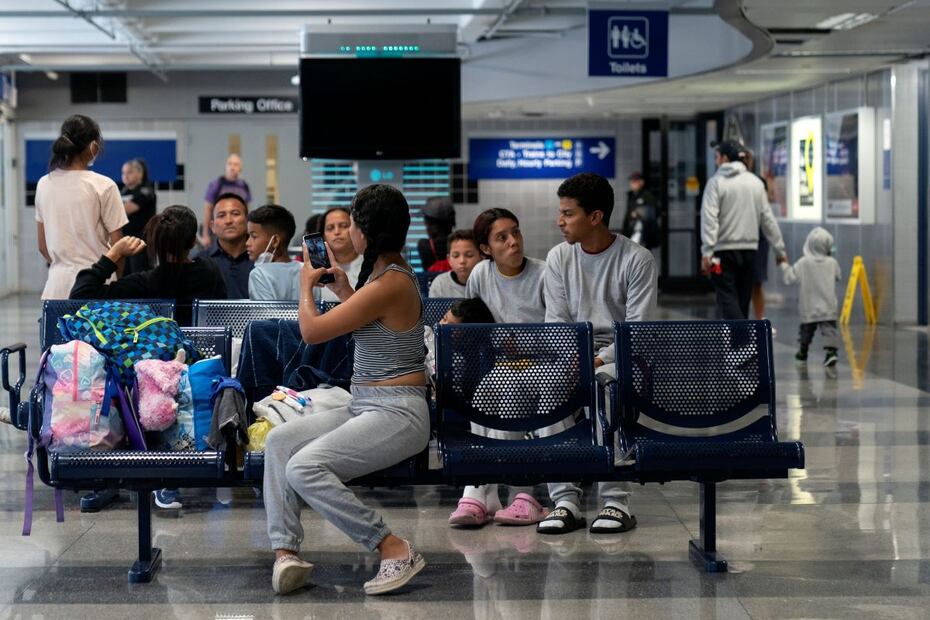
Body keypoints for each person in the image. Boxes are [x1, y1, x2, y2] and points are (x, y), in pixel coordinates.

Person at [263, 184, 429, 596]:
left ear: (365, 231)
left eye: (352, 223)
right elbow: (372, 324)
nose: (348, 231)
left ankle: (393, 547)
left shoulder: (392, 280)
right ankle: (286, 553)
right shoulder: (384, 275)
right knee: (280, 442)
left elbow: (312, 331)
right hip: (367, 404)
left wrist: (305, 286)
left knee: (304, 468)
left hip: (398, 413)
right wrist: (341, 291)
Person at [538, 172, 657, 536]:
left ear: (596, 216)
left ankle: (615, 500)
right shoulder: (559, 257)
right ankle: (565, 499)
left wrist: (599, 359)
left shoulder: (636, 259)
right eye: (560, 213)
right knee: (549, 389)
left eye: (568, 214)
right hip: (573, 351)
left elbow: (636, 329)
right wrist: (573, 357)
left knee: (606, 388)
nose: (560, 221)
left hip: (622, 356)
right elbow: (556, 321)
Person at [447, 208, 549, 528]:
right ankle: (481, 490)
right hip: (503, 364)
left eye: (515, 233)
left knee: (506, 395)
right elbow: (477, 327)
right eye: (502, 237)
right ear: (487, 249)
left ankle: (522, 491)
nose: (513, 242)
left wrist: (524, 346)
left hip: (543, 364)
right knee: (482, 396)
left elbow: (560, 330)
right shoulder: (480, 275)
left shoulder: (545, 273)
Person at [69, 205, 227, 325]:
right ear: (193, 241)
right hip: (202, 358)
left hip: (154, 361)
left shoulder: (145, 283)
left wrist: (114, 253)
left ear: (155, 242)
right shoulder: (209, 271)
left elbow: (80, 295)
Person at [36, 114, 128, 300]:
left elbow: (43, 247)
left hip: (56, 289)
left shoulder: (44, 183)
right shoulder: (104, 186)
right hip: (97, 287)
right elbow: (119, 247)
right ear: (93, 146)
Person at [700, 140, 788, 319]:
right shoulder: (756, 183)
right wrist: (780, 251)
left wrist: (707, 251)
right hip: (750, 252)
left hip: (721, 255)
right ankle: (741, 344)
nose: (716, 162)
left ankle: (740, 339)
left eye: (717, 157)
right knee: (743, 297)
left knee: (726, 295)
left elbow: (710, 218)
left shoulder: (716, 183)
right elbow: (768, 220)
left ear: (725, 158)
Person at [780, 227, 841, 367]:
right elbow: (838, 276)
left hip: (809, 306)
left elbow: (789, 277)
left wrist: (783, 265)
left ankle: (803, 352)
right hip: (828, 306)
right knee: (829, 330)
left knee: (806, 331)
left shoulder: (803, 263)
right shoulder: (832, 263)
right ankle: (831, 353)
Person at [196, 193, 253, 298]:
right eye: (221, 215)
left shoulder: (263, 260)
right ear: (212, 226)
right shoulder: (200, 262)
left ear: (247, 221)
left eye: (235, 214)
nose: (229, 221)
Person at [246, 204, 301, 301]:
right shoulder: (307, 270)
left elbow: (265, 315)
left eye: (253, 236)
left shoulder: (259, 274)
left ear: (275, 241)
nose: (247, 243)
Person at [201, 153, 251, 247]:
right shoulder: (216, 185)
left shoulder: (244, 186)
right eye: (230, 164)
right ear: (226, 166)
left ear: (240, 168)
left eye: (236, 164)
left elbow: (246, 212)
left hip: (238, 231)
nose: (232, 167)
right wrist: (205, 235)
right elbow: (207, 211)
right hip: (218, 231)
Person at [316, 207, 364, 303]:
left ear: (355, 229)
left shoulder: (373, 265)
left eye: (344, 225)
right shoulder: (318, 270)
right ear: (323, 235)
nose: (337, 232)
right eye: (330, 228)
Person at [120, 158, 157, 275]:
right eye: (123, 173)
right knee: (125, 273)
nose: (125, 176)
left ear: (140, 174)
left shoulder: (145, 191)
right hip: (125, 240)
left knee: (140, 273)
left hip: (141, 241)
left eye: (129, 172)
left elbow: (128, 209)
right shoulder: (123, 192)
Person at [428, 230, 482, 298]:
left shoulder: (489, 281)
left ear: (481, 257)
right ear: (449, 260)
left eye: (469, 255)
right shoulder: (440, 283)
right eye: (456, 256)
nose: (462, 261)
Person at [620, 171, 659, 249]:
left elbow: (653, 213)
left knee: (640, 252)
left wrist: (640, 213)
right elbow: (627, 215)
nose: (632, 183)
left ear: (641, 182)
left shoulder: (648, 196)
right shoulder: (631, 196)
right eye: (631, 181)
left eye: (635, 181)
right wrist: (624, 232)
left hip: (644, 231)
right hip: (631, 229)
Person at [417, 196, 455, 271]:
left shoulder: (424, 245)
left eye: (426, 223)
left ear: (434, 226)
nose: (426, 227)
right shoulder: (460, 243)